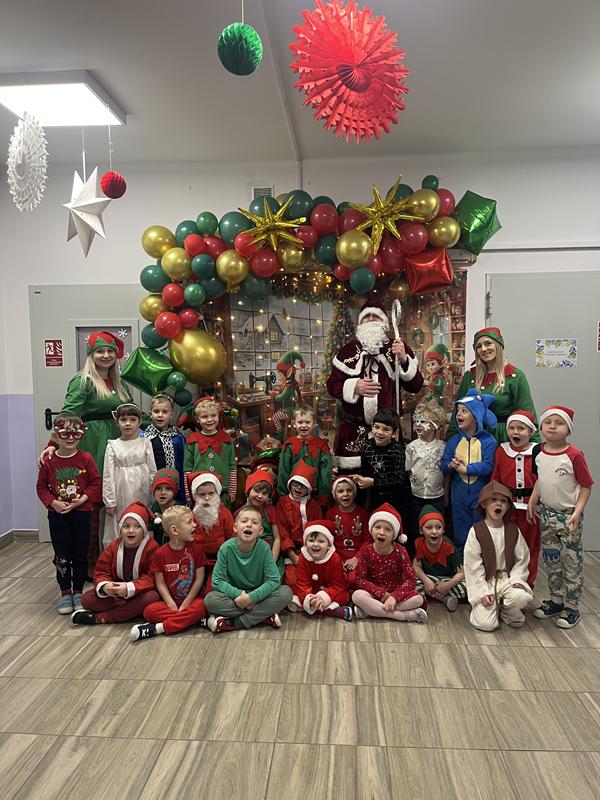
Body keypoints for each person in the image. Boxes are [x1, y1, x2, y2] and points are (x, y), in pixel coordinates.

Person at [38, 330, 132, 571]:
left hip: (116, 443)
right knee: (93, 501)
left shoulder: (119, 383)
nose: (106, 355)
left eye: (110, 351)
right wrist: (52, 445)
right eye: (100, 351)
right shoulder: (83, 380)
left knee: (112, 499)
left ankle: (111, 560)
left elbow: (129, 412)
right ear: (91, 355)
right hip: (93, 442)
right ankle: (87, 564)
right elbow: (69, 413)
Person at [326, 297, 423, 471]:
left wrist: (403, 359)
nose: (370, 319)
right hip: (353, 431)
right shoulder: (348, 351)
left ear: (385, 322)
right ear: (360, 323)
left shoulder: (397, 347)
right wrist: (354, 386)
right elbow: (332, 385)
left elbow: (415, 386)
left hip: (387, 431)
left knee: (387, 478)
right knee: (353, 479)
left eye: (375, 316)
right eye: (366, 316)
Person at [529, 406, 593, 629]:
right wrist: (533, 499)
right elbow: (541, 479)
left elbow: (586, 486)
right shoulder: (539, 451)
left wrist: (577, 512)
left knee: (571, 562)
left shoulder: (574, 455)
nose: (552, 427)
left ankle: (572, 607)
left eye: (559, 423)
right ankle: (556, 600)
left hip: (568, 517)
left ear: (569, 429)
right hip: (547, 515)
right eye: (548, 422)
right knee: (551, 559)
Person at [36, 412, 101, 614]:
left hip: (82, 513)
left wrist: (82, 500)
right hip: (58, 516)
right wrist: (53, 503)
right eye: (65, 434)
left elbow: (95, 482)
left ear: (81, 435)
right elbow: (41, 487)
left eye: (76, 434)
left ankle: (78, 591)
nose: (71, 438)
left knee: (81, 554)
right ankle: (65, 592)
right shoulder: (48, 460)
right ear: (56, 435)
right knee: (62, 555)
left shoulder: (86, 458)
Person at [204, 505, 293, 633]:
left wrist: (252, 598)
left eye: (254, 522)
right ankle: (263, 617)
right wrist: (240, 596)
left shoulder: (264, 548)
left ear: (260, 531)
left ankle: (237, 622)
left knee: (286, 593)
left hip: (258, 593)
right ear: (235, 527)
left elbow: (274, 580)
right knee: (210, 600)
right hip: (235, 596)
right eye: (244, 521)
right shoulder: (226, 548)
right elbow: (217, 581)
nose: (249, 525)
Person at [73, 502, 160, 625]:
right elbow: (101, 571)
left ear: (144, 530)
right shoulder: (114, 546)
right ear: (120, 529)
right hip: (117, 593)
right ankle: (130, 609)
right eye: (126, 526)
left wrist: (129, 588)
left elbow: (152, 578)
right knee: (86, 599)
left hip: (140, 591)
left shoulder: (152, 548)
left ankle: (102, 617)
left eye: (137, 526)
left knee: (151, 598)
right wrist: (105, 586)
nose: (131, 531)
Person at [130, 505, 207, 641]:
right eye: (189, 522)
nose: (195, 525)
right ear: (174, 530)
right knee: (149, 612)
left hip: (192, 600)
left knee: (202, 607)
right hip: (169, 602)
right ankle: (193, 620)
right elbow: (160, 583)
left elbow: (199, 580)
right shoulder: (160, 554)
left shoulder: (197, 550)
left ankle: (158, 628)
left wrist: (186, 603)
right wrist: (171, 604)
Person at [450, 327, 538, 443]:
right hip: (473, 438)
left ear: (498, 345)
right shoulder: (470, 376)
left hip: (504, 438)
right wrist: (451, 439)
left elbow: (527, 414)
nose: (483, 349)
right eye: (478, 346)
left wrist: (535, 448)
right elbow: (457, 412)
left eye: (488, 343)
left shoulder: (515, 377)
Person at [464, 481, 532, 631]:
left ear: (507, 506)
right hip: (487, 581)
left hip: (507, 579)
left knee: (520, 596)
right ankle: (491, 608)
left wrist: (516, 580)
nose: (499, 504)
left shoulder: (513, 530)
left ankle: (507, 610)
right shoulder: (477, 531)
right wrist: (482, 592)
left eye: (503, 501)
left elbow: (522, 559)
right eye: (493, 500)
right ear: (484, 504)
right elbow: (473, 566)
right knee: (486, 625)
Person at [442, 389, 497, 553]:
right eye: (458, 411)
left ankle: (481, 558)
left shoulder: (488, 441)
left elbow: (489, 466)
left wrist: (467, 469)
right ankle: (461, 558)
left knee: (481, 528)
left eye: (464, 411)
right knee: (460, 527)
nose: (458, 414)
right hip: (458, 494)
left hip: (480, 493)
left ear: (476, 416)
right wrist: (450, 465)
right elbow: (443, 465)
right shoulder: (454, 441)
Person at [352, 503, 427, 623]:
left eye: (388, 529)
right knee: (357, 596)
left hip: (396, 593)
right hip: (374, 593)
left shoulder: (400, 551)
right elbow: (360, 579)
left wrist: (394, 597)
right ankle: (404, 616)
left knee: (418, 599)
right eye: (378, 527)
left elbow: (411, 579)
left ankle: (371, 611)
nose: (381, 532)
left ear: (394, 535)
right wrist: (381, 594)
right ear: (371, 530)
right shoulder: (366, 551)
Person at [351, 409, 411, 552]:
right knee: (378, 531)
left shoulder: (397, 449)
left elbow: (398, 479)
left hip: (397, 501)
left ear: (394, 433)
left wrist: (373, 482)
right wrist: (360, 478)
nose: (380, 432)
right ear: (372, 427)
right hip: (376, 499)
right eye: (377, 427)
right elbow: (365, 469)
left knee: (395, 534)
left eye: (386, 429)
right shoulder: (367, 445)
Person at [492, 410, 540, 587]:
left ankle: (527, 583)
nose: (515, 432)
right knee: (507, 545)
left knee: (530, 546)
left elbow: (543, 480)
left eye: (521, 428)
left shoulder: (538, 452)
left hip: (531, 509)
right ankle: (506, 581)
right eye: (511, 428)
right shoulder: (502, 451)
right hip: (508, 508)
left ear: (531, 431)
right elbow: (496, 479)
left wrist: (537, 502)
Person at [102, 403, 156, 548]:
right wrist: (110, 501)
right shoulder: (112, 445)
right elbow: (108, 475)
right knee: (122, 518)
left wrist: (155, 493)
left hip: (142, 488)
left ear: (139, 422)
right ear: (117, 422)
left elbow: (153, 470)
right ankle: (119, 554)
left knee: (141, 517)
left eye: (132, 420)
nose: (128, 423)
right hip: (121, 490)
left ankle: (143, 551)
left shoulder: (146, 443)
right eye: (123, 420)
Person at [288, 520, 352, 620]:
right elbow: (302, 584)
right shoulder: (303, 558)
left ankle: (312, 608)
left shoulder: (334, 558)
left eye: (321, 541)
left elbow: (338, 585)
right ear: (305, 543)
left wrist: (323, 597)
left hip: (330, 592)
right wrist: (311, 599)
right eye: (311, 540)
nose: (315, 544)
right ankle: (332, 611)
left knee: (344, 596)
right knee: (294, 590)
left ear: (328, 544)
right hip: (311, 590)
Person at [405, 397, 447, 541]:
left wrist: (446, 495)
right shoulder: (411, 447)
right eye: (416, 421)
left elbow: (446, 473)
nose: (418, 424)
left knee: (436, 528)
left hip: (436, 497)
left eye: (423, 421)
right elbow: (408, 470)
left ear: (434, 426)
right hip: (416, 496)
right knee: (417, 528)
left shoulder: (443, 447)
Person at [276, 461, 322, 586]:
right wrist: (292, 555)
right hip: (291, 551)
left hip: (313, 551)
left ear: (308, 488)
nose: (298, 488)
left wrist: (312, 552)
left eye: (302, 485)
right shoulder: (283, 502)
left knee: (316, 580)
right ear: (290, 484)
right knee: (292, 581)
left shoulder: (314, 505)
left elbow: (318, 531)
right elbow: (283, 531)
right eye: (295, 484)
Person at [183, 397, 236, 505]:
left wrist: (232, 491)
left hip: (222, 490)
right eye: (204, 416)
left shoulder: (226, 439)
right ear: (197, 419)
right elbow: (187, 469)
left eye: (213, 415)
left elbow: (232, 467)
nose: (210, 420)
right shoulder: (192, 440)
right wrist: (188, 494)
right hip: (200, 491)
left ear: (218, 416)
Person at [413, 505, 466, 612]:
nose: (434, 531)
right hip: (429, 578)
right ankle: (443, 598)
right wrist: (427, 581)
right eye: (429, 528)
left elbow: (462, 573)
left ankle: (426, 595)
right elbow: (416, 567)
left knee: (467, 585)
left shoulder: (449, 547)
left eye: (438, 527)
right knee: (411, 580)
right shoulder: (419, 544)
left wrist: (447, 585)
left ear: (443, 530)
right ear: (421, 530)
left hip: (448, 579)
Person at [186, 472, 235, 587]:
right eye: (202, 494)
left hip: (221, 561)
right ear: (195, 496)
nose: (207, 498)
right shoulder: (191, 516)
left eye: (211, 493)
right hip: (196, 562)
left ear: (217, 493)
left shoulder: (225, 514)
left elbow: (232, 540)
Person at [277, 406, 332, 505]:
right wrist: (283, 495)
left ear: (314, 423)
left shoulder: (321, 445)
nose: (304, 426)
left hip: (314, 494)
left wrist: (323, 494)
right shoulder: (289, 446)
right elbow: (283, 471)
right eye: (300, 422)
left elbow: (325, 472)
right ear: (294, 424)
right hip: (294, 493)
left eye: (307, 422)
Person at [325, 476, 370, 589]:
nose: (345, 494)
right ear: (335, 495)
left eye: (349, 490)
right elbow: (327, 539)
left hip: (357, 555)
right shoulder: (330, 514)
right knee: (337, 578)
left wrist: (356, 558)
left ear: (354, 493)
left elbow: (368, 540)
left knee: (353, 580)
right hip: (337, 556)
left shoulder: (362, 514)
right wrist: (336, 560)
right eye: (340, 491)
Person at [239, 468, 283, 577]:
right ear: (248, 490)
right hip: (248, 555)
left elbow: (277, 539)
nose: (260, 496)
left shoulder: (271, 510)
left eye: (264, 493)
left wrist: (271, 562)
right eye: (257, 491)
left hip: (270, 554)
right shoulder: (239, 513)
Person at [142, 393, 186, 502]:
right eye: (156, 411)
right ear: (150, 414)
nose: (160, 415)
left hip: (172, 484)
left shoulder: (177, 438)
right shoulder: (144, 437)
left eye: (165, 412)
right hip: (151, 484)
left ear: (171, 415)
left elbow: (182, 464)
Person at [150, 468, 180, 545]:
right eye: (158, 488)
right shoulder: (153, 508)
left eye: (168, 489)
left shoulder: (179, 510)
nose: (163, 492)